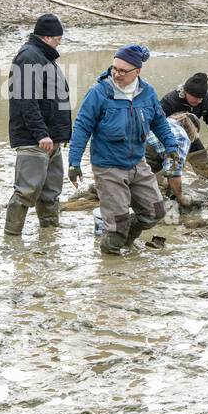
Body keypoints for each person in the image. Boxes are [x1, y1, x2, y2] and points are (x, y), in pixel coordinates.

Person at [68, 44, 183, 255]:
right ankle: (111, 266)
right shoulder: (99, 93)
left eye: (123, 70)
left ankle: (124, 241)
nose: (117, 74)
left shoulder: (146, 92)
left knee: (156, 212)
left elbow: (159, 122)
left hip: (137, 163)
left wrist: (172, 147)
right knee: (117, 224)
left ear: (137, 71)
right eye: (114, 68)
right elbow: (82, 127)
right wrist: (74, 163)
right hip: (108, 167)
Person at [4, 13, 71, 235]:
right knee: (26, 191)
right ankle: (12, 238)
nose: (59, 43)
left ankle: (49, 235)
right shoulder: (29, 56)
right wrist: (41, 133)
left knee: (51, 191)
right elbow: (25, 99)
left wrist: (60, 136)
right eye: (58, 39)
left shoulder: (44, 56)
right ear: (48, 37)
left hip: (52, 139)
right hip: (36, 139)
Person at [159, 72, 208, 177]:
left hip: (191, 136)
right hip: (169, 139)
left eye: (200, 98)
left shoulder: (205, 99)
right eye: (195, 98)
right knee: (168, 168)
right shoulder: (169, 101)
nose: (198, 101)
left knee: (205, 166)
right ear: (185, 92)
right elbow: (158, 124)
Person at [145, 118, 191, 207]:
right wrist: (180, 197)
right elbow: (174, 171)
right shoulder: (183, 137)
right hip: (144, 155)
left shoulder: (167, 120)